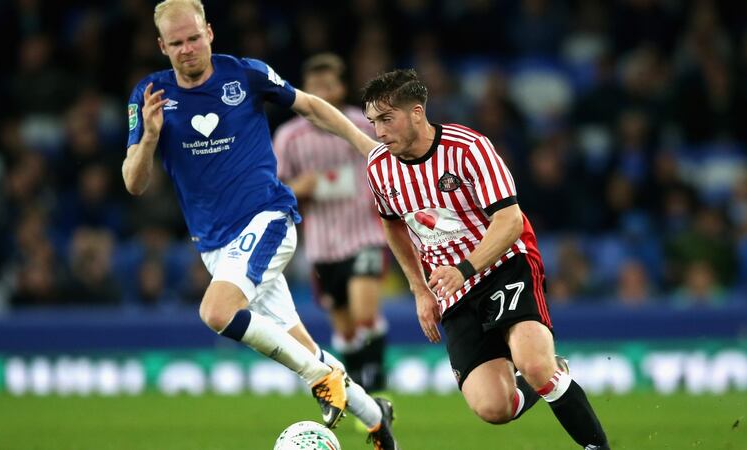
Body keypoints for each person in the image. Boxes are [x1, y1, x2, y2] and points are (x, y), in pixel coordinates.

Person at [121, 1, 397, 448]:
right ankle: (373, 414)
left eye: (194, 37)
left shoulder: (244, 74)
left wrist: (367, 145)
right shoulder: (149, 95)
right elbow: (133, 183)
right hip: (215, 245)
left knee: (216, 312)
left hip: (268, 217)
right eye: (176, 43)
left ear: (209, 32)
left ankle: (319, 378)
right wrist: (149, 137)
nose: (188, 49)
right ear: (162, 46)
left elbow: (309, 105)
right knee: (302, 345)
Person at [358, 69, 610, 449]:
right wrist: (418, 288)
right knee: (494, 408)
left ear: (416, 112)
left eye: (386, 119)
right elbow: (392, 224)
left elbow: (509, 220)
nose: (378, 132)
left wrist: (465, 268)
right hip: (450, 288)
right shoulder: (379, 166)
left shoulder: (467, 148)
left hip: (503, 264)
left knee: (533, 363)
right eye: (373, 122)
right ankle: (552, 373)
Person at [273, 53, 389, 393]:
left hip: (366, 235)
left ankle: (379, 387)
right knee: (346, 329)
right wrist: (298, 188)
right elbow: (274, 191)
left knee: (365, 315)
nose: (322, 92)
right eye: (314, 86)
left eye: (328, 84)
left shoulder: (365, 125)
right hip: (322, 246)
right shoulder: (288, 137)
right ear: (303, 90)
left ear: (341, 88)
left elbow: (392, 165)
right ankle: (360, 394)